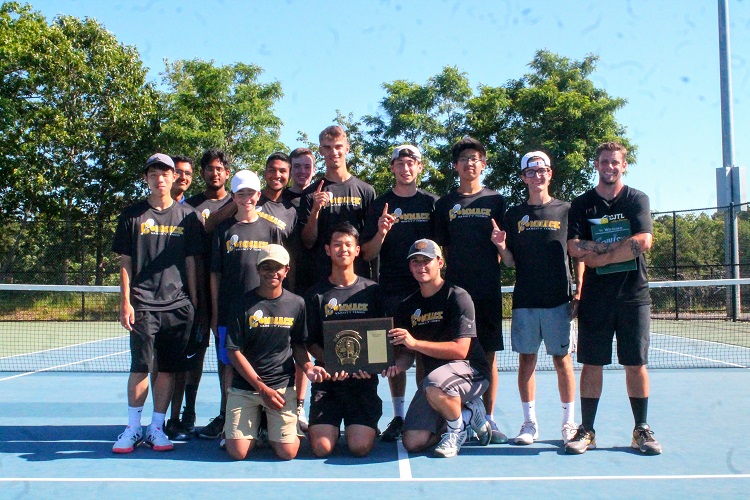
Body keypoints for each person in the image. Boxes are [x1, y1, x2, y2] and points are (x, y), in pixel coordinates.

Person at [565, 141, 662, 455]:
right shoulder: (582, 204)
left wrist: (601, 256)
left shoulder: (637, 199)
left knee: (635, 363)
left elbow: (643, 240)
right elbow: (574, 247)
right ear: (596, 165)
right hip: (595, 298)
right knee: (592, 364)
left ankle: (641, 429)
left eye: (615, 162)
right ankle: (587, 430)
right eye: (604, 162)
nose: (609, 167)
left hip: (634, 296)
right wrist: (616, 249)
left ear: (624, 166)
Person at [111, 153, 203, 454]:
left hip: (177, 307)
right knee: (140, 368)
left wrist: (193, 303)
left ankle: (156, 428)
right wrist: (126, 302)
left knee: (167, 370)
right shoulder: (132, 215)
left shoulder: (188, 216)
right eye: (153, 174)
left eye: (165, 173)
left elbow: (191, 263)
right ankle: (132, 428)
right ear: (146, 178)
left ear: (174, 177)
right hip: (143, 304)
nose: (159, 178)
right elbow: (125, 263)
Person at [492, 151, 578, 445]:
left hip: (559, 301)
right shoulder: (513, 215)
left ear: (550, 174)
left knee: (562, 361)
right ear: (523, 178)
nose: (537, 176)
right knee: (526, 361)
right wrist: (501, 246)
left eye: (542, 171)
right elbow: (510, 262)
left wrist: (579, 289)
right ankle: (529, 424)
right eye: (531, 172)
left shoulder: (567, 210)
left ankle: (568, 424)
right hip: (525, 301)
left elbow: (576, 253)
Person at [388, 239, 494, 458]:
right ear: (410, 267)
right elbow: (407, 352)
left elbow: (460, 350)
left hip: (471, 371)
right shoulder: (407, 305)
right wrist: (397, 367)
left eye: (426, 260)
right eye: (415, 262)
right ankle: (467, 414)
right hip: (434, 383)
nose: (421, 266)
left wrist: (415, 343)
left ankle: (456, 432)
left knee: (434, 382)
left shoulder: (458, 297)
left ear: (440, 262)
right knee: (412, 442)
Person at [361, 145, 438, 442]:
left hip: (427, 292)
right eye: (400, 163)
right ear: (392, 167)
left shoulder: (432, 203)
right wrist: (381, 232)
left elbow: (442, 251)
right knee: (396, 356)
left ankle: (425, 414)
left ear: (419, 167)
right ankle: (399, 416)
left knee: (424, 354)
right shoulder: (380, 205)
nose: (405, 168)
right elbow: (367, 254)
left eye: (411, 163)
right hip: (392, 291)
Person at [434, 136, 507, 443]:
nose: (469, 164)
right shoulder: (444, 204)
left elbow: (503, 247)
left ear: (483, 164)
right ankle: (457, 418)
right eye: (463, 159)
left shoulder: (497, 201)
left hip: (488, 290)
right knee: (455, 355)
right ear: (455, 166)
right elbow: (442, 250)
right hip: (455, 294)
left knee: (488, 356)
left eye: (475, 159)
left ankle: (487, 419)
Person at [223, 244, 326, 460]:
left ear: (286, 271)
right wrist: (261, 389)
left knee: (287, 453)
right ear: (258, 270)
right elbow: (234, 352)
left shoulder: (297, 304)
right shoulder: (241, 304)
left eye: (278, 267)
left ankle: (270, 426)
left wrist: (308, 367)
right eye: (266, 267)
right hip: (246, 389)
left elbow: (298, 345)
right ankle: (257, 423)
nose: (272, 272)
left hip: (281, 388)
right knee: (237, 452)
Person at [207, 169, 283, 442]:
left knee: (262, 364)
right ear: (233, 196)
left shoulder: (271, 229)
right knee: (229, 366)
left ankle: (264, 421)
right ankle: (228, 419)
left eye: (251, 193)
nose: (247, 198)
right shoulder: (223, 231)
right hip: (231, 313)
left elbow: (281, 270)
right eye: (241, 193)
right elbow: (215, 275)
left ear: (258, 195)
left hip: (265, 313)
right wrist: (216, 313)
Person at [304, 222, 383, 457]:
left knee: (360, 448)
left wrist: (369, 365)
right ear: (328, 250)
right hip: (328, 381)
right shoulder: (315, 294)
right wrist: (331, 363)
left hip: (362, 382)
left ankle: (361, 426)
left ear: (357, 250)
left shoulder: (373, 291)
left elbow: (379, 336)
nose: (343, 249)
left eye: (348, 245)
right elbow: (310, 342)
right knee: (321, 449)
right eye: (337, 244)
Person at [298, 126, 376, 286]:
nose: (333, 152)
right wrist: (315, 210)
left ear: (347, 148)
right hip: (321, 279)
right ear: (321, 151)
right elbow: (307, 242)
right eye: (327, 147)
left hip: (358, 278)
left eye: (338, 146)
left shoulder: (366, 191)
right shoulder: (311, 193)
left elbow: (371, 246)